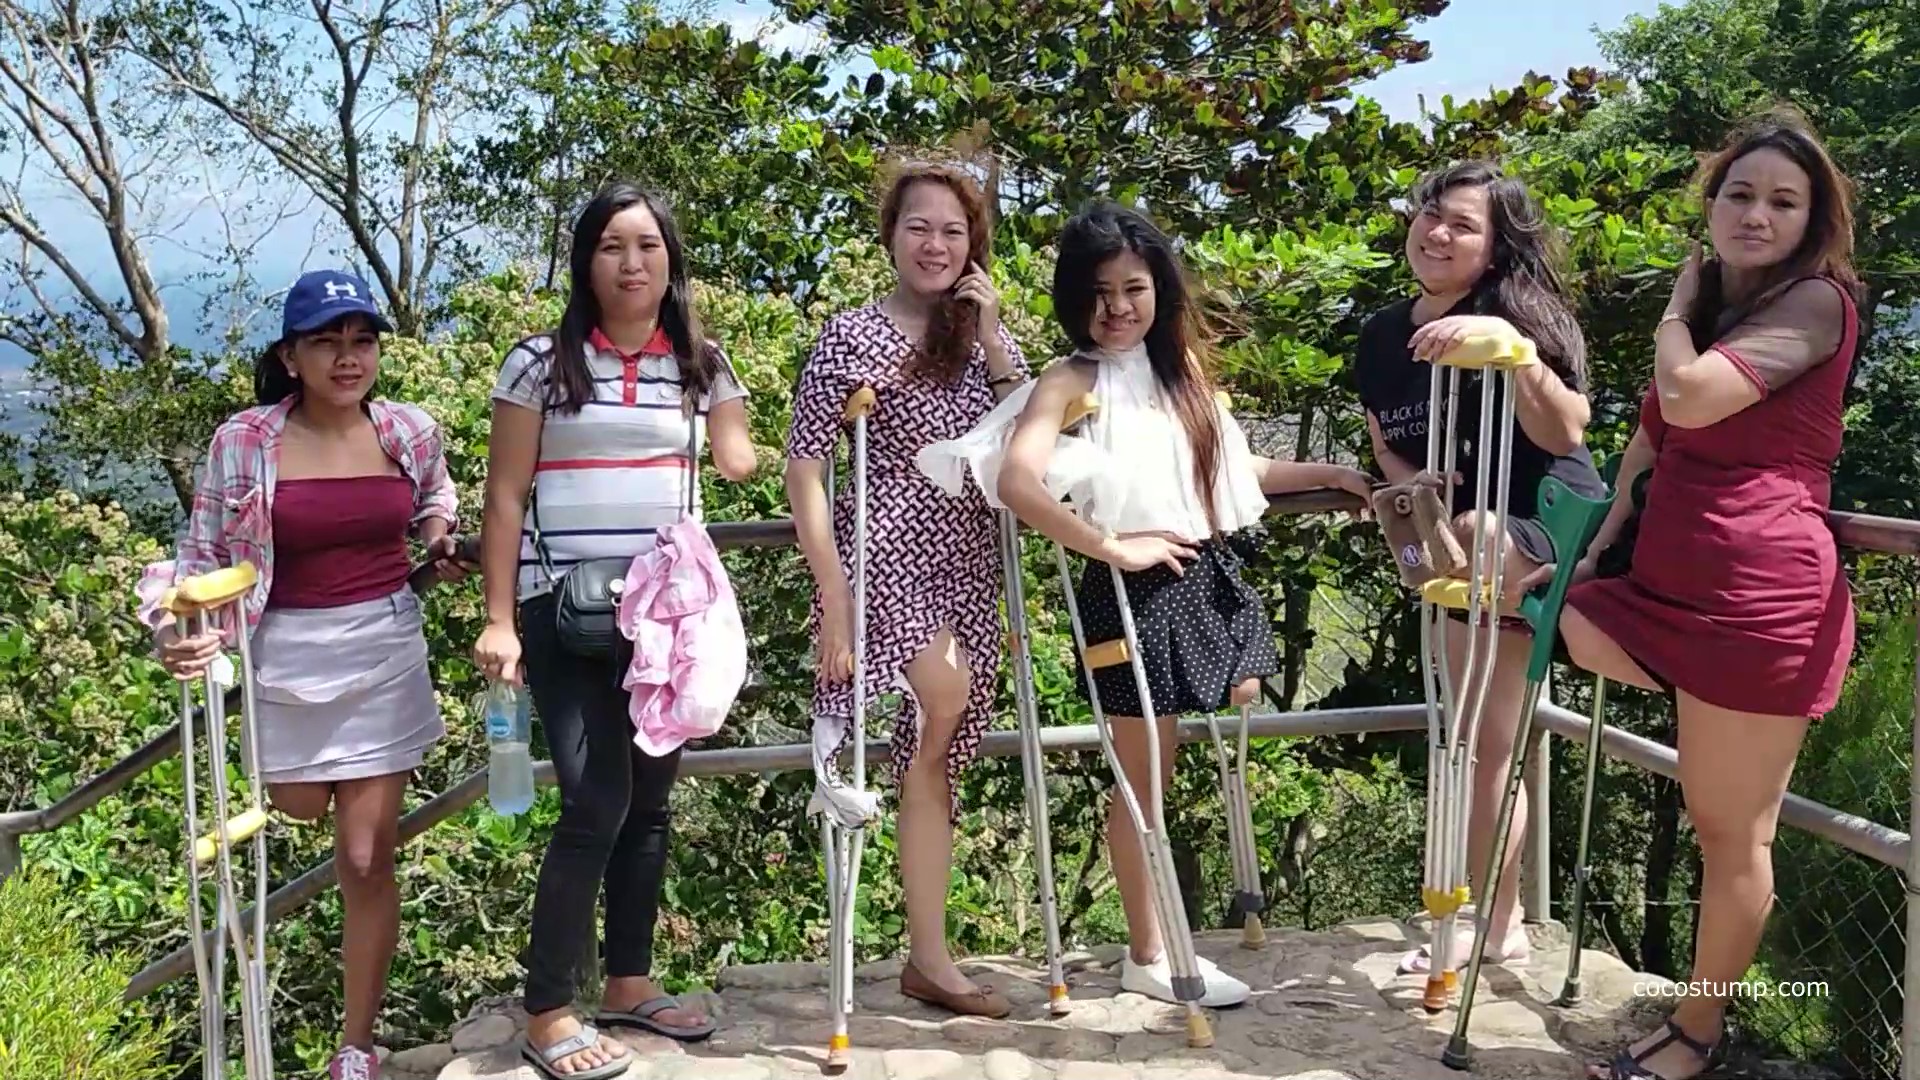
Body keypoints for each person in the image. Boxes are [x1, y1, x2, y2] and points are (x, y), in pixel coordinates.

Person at [969, 199, 1374, 1008]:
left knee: (1197, 732)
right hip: (1131, 593)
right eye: (1099, 293)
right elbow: (1016, 479)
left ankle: (1159, 941)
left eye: (1134, 288)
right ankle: (1150, 952)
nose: (1118, 308)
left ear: (1159, 288)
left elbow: (1233, 469)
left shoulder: (1180, 371)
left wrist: (1331, 475)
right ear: (1074, 297)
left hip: (1202, 576)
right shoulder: (1069, 379)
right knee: (1142, 777)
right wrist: (1110, 546)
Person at [1541, 111, 1862, 1080]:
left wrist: (1676, 308)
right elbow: (1651, 442)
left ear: (1812, 222)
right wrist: (1593, 554)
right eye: (1740, 194)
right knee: (1538, 612)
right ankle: (1686, 1021)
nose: (1756, 215)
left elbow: (1686, 397)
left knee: (1731, 835)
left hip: (1758, 601)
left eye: (1782, 202)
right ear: (1713, 204)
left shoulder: (1817, 305)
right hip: (1666, 588)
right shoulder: (1726, 315)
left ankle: (1696, 1032)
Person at [137, 269, 469, 1080]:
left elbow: (436, 491)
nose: (348, 358)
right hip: (282, 649)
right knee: (296, 804)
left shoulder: (407, 428)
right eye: (326, 342)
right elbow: (202, 550)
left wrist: (437, 533)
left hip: (384, 647)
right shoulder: (245, 440)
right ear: (291, 357)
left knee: (365, 857)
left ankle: (356, 1045)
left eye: (362, 341)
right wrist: (172, 630)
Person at [471, 181, 756, 1080]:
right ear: (585, 263)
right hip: (562, 608)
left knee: (651, 803)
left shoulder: (701, 363)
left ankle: (629, 982)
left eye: (648, 246)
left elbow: (738, 462)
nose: (632, 264)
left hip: (666, 616)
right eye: (611, 247)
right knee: (595, 800)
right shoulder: (540, 362)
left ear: (671, 261)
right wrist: (498, 620)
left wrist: (735, 411)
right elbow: (504, 496)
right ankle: (548, 1008)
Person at [783, 158, 1030, 1019]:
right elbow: (805, 467)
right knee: (942, 694)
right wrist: (834, 594)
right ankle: (918, 946)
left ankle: (929, 956)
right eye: (919, 227)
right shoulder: (849, 336)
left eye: (953, 231)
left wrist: (991, 332)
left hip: (967, 560)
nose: (935, 244)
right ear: (890, 236)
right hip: (882, 555)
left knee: (937, 744)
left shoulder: (985, 337)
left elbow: (1028, 432)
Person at [1349, 160, 1606, 978]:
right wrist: (1407, 489)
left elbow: (1568, 431)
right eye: (1428, 213)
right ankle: (1497, 919)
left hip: (1534, 525)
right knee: (1473, 740)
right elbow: (1386, 440)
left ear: (1495, 247)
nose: (1436, 232)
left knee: (1489, 736)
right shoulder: (1383, 336)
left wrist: (1516, 354)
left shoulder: (1518, 315)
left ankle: (1487, 918)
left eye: (1462, 224)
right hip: (1456, 545)